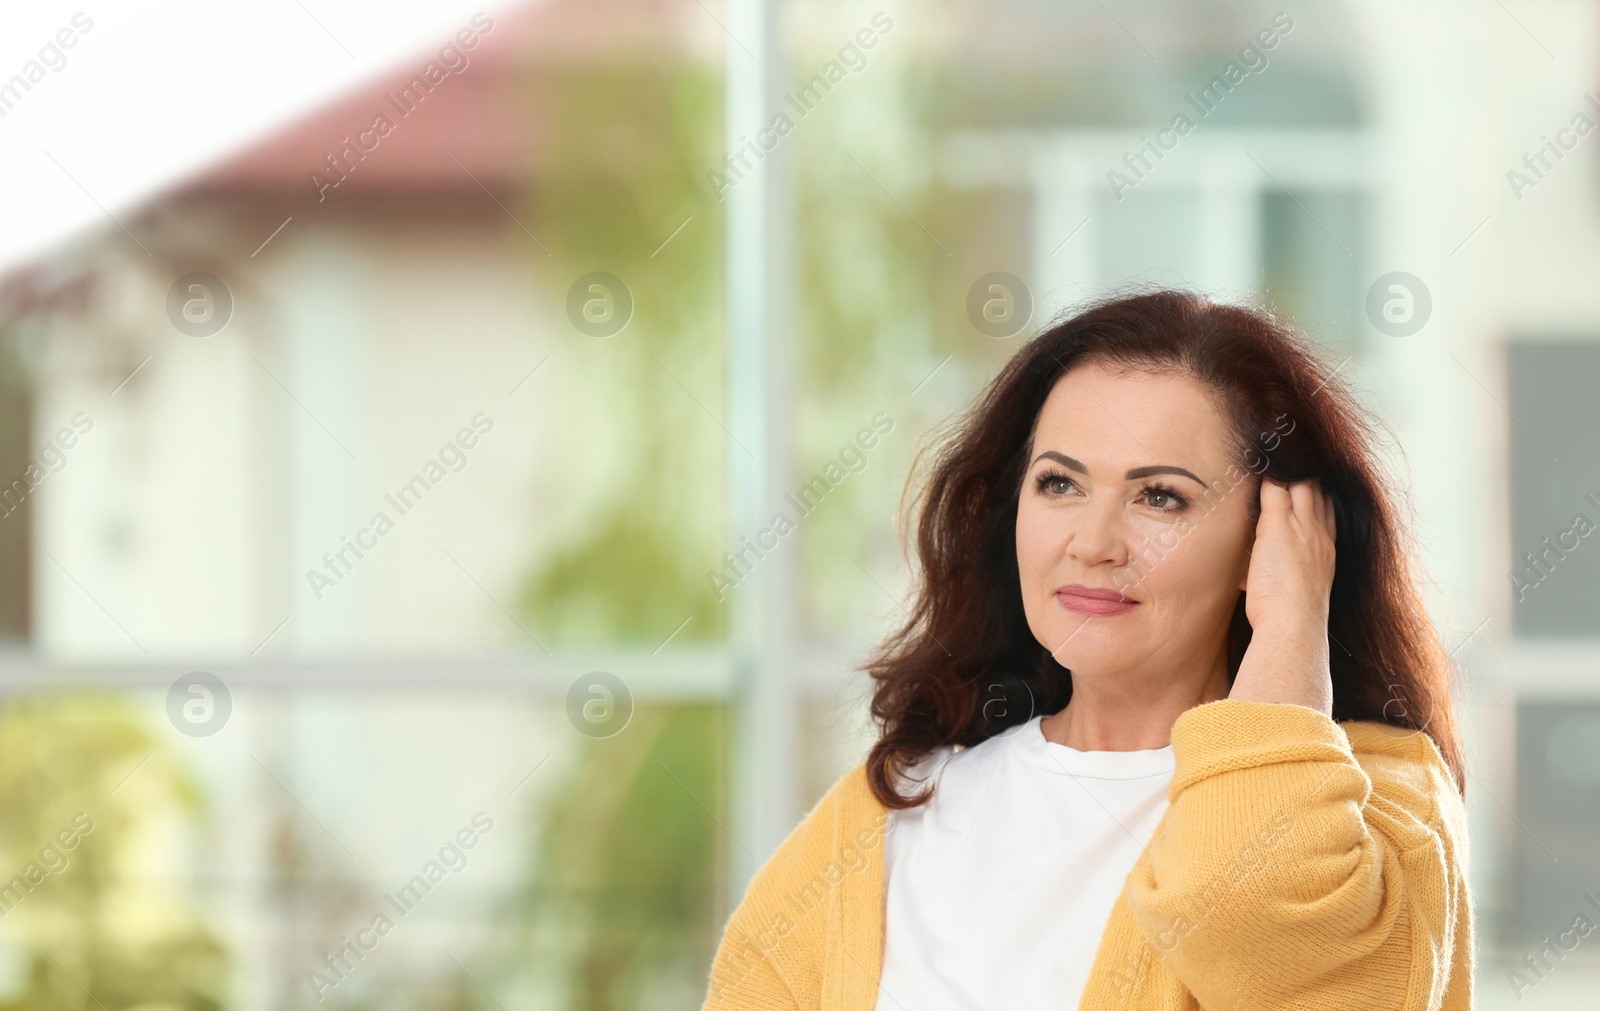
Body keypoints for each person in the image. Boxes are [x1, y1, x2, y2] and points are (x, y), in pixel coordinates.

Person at [698, 289, 1474, 1010]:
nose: (1094, 542)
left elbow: (1256, 919)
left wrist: (1293, 620)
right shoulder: (889, 810)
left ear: (1273, 537)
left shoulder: (1388, 812)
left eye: (1160, 496)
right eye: (1060, 484)